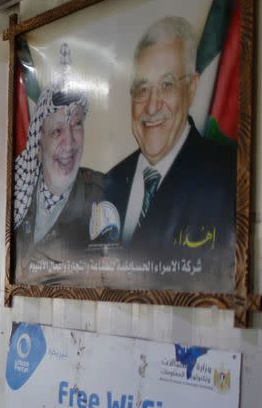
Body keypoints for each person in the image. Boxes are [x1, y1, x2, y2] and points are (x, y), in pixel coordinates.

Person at [105, 16, 236, 290]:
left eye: (166, 85)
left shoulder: (227, 178)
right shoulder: (107, 185)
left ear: (191, 87)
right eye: (142, 89)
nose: (152, 106)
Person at [13, 44, 110, 283]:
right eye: (56, 131)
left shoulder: (102, 194)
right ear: (39, 142)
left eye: (76, 125)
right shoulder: (17, 195)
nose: (69, 143)